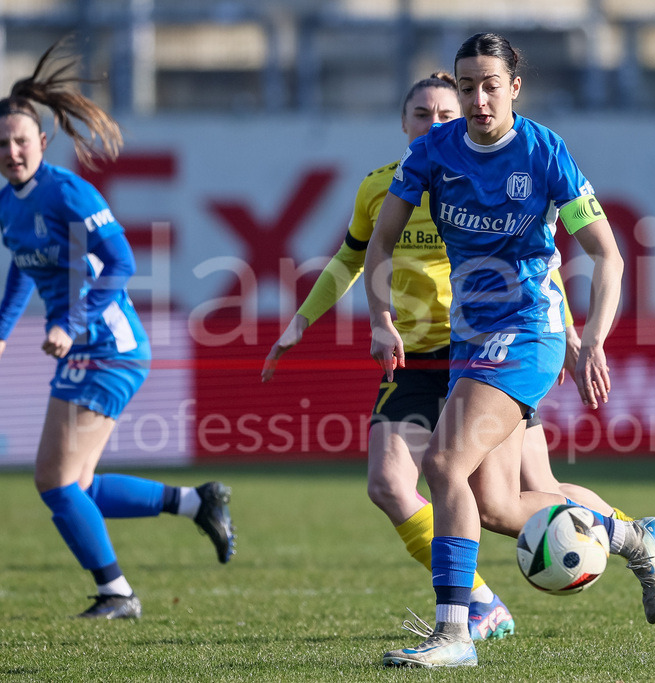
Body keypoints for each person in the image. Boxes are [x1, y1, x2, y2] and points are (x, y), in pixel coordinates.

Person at [261, 71, 629, 642]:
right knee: (389, 484)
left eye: (444, 115)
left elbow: (538, 258)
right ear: (402, 123)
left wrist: (570, 335)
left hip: (489, 350)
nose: (433, 123)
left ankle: (636, 536)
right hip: (413, 356)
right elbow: (353, 257)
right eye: (421, 114)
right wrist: (304, 320)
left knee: (522, 490)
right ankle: (477, 602)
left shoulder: (488, 176)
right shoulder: (382, 187)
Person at [365, 33, 655, 668]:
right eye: (467, 87)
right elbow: (380, 243)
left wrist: (591, 338)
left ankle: (455, 633)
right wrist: (381, 319)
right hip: (470, 339)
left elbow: (607, 255)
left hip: (530, 332)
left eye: (490, 86)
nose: (478, 100)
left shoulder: (544, 152)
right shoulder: (432, 151)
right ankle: (635, 537)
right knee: (498, 505)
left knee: (443, 466)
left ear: (514, 88)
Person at [0, 39, 236, 619]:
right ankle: (196, 503)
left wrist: (71, 323)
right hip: (82, 348)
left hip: (110, 347)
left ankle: (117, 592)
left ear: (43, 142)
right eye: (0, 144)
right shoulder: (7, 203)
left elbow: (121, 263)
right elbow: (23, 267)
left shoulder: (67, 192)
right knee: (76, 484)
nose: (12, 152)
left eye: (21, 141)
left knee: (55, 481)